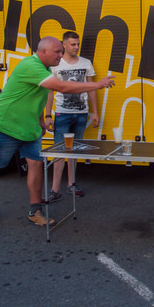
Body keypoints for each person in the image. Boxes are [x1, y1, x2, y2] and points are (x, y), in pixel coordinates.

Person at [0, 36, 115, 227]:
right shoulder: (30, 66)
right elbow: (63, 87)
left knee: (36, 165)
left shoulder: (47, 69)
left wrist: (41, 121)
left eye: (61, 51)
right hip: (5, 124)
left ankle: (35, 211)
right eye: (57, 52)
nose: (61, 55)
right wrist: (97, 84)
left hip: (29, 128)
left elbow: (37, 96)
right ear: (43, 52)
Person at [44, 31, 100, 201]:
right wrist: (47, 115)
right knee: (60, 150)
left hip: (81, 113)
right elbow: (49, 92)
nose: (76, 47)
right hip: (62, 114)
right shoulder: (56, 64)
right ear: (64, 45)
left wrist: (95, 112)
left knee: (74, 151)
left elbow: (91, 88)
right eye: (73, 44)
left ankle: (71, 184)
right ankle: (54, 190)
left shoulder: (85, 63)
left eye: (78, 44)